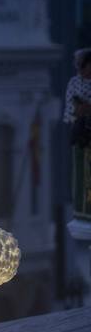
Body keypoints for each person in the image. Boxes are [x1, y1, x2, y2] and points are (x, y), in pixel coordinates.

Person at [64, 48, 91, 219]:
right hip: (81, 135)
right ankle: (81, 210)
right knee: (81, 173)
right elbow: (73, 108)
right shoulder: (74, 83)